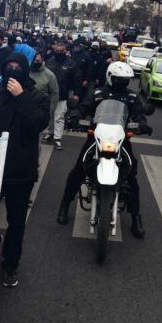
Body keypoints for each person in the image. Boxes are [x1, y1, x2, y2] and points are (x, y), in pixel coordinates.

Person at [0, 52, 50, 288]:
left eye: (18, 67)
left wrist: (21, 97)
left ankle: (10, 266)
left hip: (20, 173)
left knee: (16, 223)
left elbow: (37, 123)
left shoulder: (36, 97)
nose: (13, 70)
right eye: (9, 66)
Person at [56, 61, 151, 239]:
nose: (122, 83)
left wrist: (143, 124)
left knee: (131, 177)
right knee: (77, 171)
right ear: (110, 77)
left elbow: (139, 113)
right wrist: (76, 117)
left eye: (125, 80)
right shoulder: (98, 93)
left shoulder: (131, 96)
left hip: (120, 140)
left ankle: (136, 218)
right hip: (96, 137)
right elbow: (84, 107)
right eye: (118, 79)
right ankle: (64, 205)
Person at [42, 43, 82, 150]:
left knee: (59, 116)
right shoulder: (49, 62)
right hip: (49, 94)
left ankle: (57, 138)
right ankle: (50, 133)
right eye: (57, 50)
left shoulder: (71, 63)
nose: (59, 52)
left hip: (63, 94)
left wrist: (77, 94)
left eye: (61, 51)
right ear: (54, 50)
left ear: (65, 50)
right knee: (50, 115)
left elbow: (77, 79)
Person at [30, 52, 59, 126]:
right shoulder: (26, 72)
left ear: (42, 60)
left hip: (41, 108)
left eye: (37, 60)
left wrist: (51, 110)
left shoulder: (49, 75)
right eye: (34, 60)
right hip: (27, 106)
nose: (35, 62)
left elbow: (54, 93)